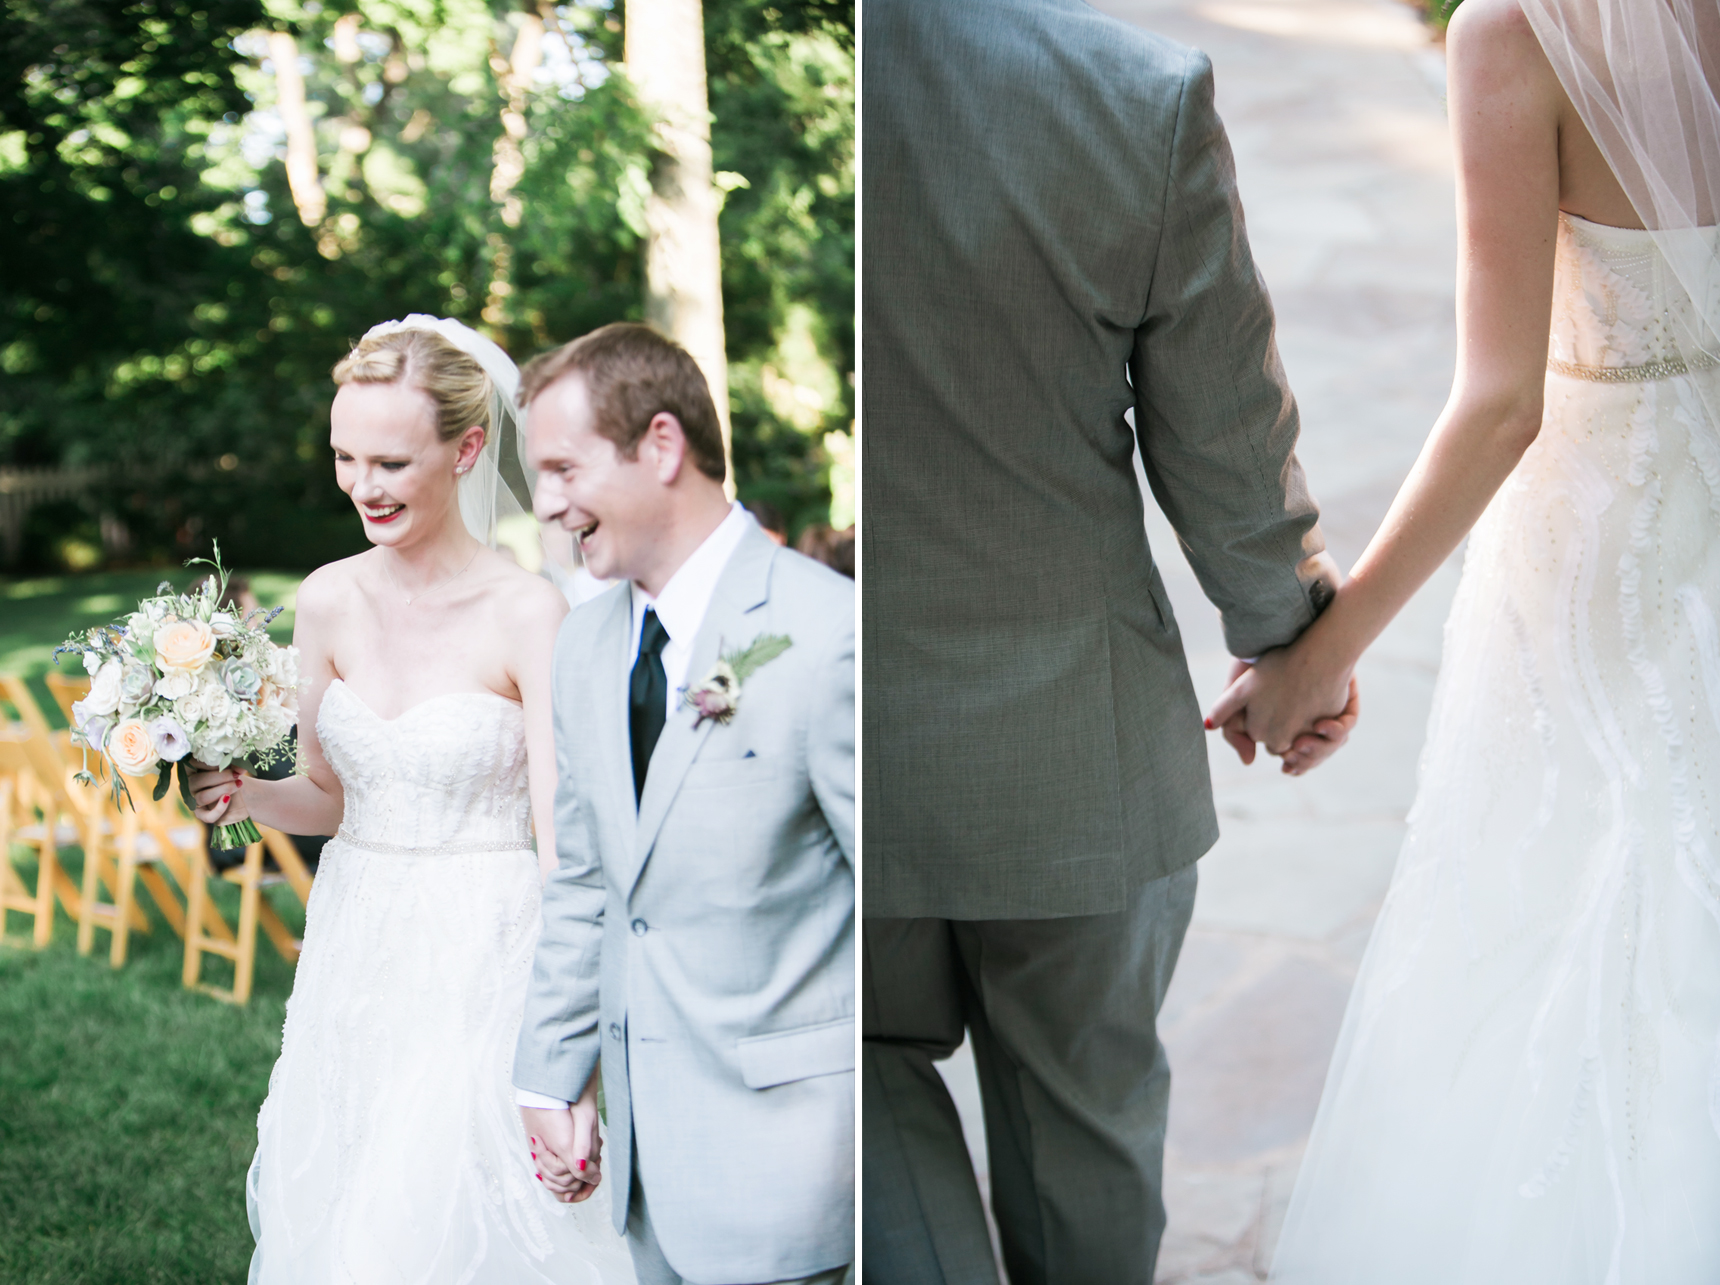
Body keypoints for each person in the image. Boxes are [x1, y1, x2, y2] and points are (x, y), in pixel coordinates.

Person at [1200, 1, 1720, 1279]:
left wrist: (1323, 650)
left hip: (1609, 556)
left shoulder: (1519, 29)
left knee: (1590, 893)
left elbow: (1500, 406)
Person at [861, 2, 1357, 1281]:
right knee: (1083, 1117)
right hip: (1076, 751)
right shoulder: (1130, 93)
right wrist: (1292, 647)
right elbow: (1225, 429)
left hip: (848, 758)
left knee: (861, 1081)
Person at [190, 316, 636, 1284]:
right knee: (347, 1211)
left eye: (390, 460)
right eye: (345, 456)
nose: (361, 485)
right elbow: (331, 797)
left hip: (487, 952)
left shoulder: (528, 612)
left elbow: (566, 842)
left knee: (446, 1217)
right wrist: (247, 794)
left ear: (468, 449)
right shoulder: (325, 599)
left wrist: (569, 1052)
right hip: (356, 951)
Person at [511, 322, 855, 1285]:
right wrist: (551, 1071)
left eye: (564, 469)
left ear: (661, 445)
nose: (547, 505)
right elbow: (585, 878)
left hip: (800, 1175)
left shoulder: (826, 634)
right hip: (644, 1180)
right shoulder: (581, 648)